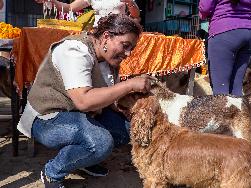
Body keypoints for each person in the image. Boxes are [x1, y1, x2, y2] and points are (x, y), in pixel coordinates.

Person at [17, 14, 151, 188]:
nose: (128, 54)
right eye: (125, 46)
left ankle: (83, 161)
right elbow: (83, 101)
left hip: (79, 115)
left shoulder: (107, 59)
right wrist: (130, 85)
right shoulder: (74, 51)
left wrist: (126, 110)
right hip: (47, 117)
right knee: (100, 141)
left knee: (126, 129)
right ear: (106, 36)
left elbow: (107, 94)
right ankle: (52, 172)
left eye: (131, 49)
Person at [198, 0, 251, 96]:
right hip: (249, 31)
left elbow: (205, 7)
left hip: (224, 30)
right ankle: (238, 110)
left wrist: (202, 14)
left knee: (220, 90)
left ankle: (223, 111)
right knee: (236, 86)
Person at [34, 0, 141, 25]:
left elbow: (136, 15)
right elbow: (69, 7)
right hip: (97, 29)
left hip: (118, 28)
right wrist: (52, 0)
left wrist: (129, 2)